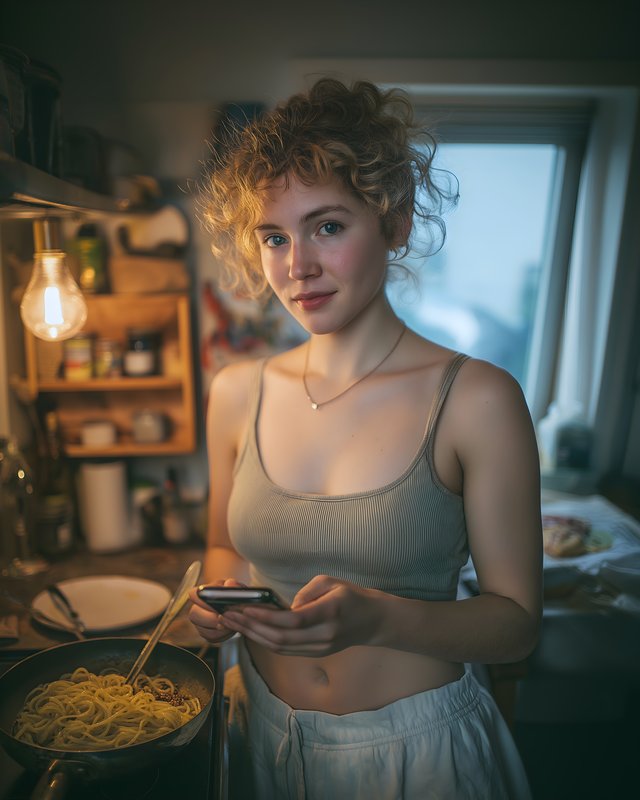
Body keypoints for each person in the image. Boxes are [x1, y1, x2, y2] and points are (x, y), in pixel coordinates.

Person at [189, 77, 542, 800]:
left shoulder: (477, 399)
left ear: (395, 221)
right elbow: (225, 546)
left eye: (327, 226)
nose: (298, 268)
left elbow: (515, 626)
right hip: (259, 738)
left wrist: (379, 616)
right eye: (274, 237)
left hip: (420, 757)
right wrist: (214, 596)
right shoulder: (234, 392)